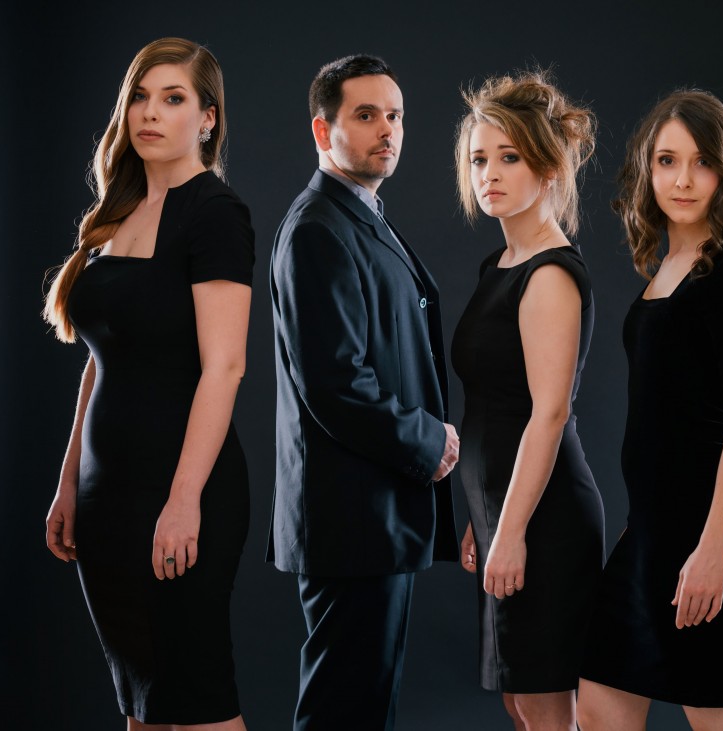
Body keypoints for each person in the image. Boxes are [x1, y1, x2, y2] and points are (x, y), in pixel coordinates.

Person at [42, 37, 254, 729]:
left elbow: (225, 366)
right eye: (139, 96)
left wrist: (184, 499)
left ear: (208, 118)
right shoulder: (115, 214)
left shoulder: (215, 212)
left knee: (198, 703)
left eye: (173, 98)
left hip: (182, 489)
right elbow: (101, 360)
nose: (150, 113)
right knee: (142, 703)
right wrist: (69, 481)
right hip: (105, 497)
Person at [576, 89, 723, 731]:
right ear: (648, 169)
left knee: (720, 717)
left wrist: (713, 549)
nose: (683, 179)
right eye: (667, 161)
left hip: (704, 538)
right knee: (599, 703)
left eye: (702, 162)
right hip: (649, 533)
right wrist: (642, 523)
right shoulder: (666, 267)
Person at [269, 54, 459, 731]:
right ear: (323, 131)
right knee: (342, 712)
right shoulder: (317, 229)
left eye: (396, 115)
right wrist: (430, 441)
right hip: (350, 522)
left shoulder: (359, 213)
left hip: (375, 518)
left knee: (363, 708)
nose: (388, 129)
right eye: (367, 114)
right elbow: (336, 385)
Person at [451, 71, 605, 731]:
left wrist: (510, 529)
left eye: (508, 157)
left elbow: (548, 414)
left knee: (545, 707)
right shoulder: (499, 266)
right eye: (478, 159)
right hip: (503, 511)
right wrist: (482, 516)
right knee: (520, 702)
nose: (489, 173)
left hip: (545, 522)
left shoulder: (549, 274)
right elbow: (493, 405)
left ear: (547, 168)